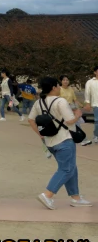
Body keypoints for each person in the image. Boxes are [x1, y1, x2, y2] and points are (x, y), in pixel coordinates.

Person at [27, 77, 91, 210]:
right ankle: (48, 195)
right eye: (58, 86)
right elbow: (70, 120)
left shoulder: (39, 102)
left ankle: (75, 197)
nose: (59, 88)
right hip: (64, 139)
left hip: (50, 141)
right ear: (54, 87)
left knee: (71, 168)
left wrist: (40, 135)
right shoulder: (60, 101)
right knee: (66, 169)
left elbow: (31, 120)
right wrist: (78, 115)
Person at [83, 65, 98, 146]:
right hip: (96, 105)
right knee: (97, 121)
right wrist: (88, 103)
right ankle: (96, 136)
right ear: (95, 72)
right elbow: (87, 93)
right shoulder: (90, 82)